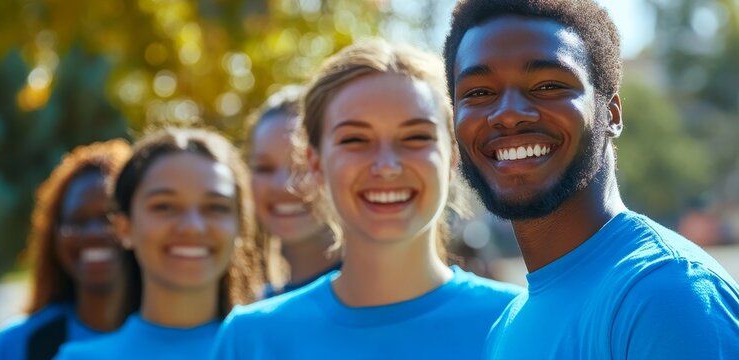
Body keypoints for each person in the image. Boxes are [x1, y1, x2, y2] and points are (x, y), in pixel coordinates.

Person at [443, 0, 739, 358]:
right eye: (478, 93)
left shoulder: (665, 294)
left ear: (611, 113)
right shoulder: (509, 324)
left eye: (548, 85)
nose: (508, 115)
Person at [213, 39, 523, 359]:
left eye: (416, 137)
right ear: (315, 162)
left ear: (452, 156)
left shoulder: (520, 325)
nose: (387, 166)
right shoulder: (251, 339)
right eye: (356, 139)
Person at [54, 128, 263, 359]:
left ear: (240, 226)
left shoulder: (280, 351)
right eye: (164, 206)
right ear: (124, 227)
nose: (192, 227)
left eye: (216, 207)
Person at [0, 140, 139, 360]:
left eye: (109, 217)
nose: (93, 233)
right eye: (77, 221)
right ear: (54, 236)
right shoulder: (17, 345)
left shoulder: (178, 337)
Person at [246, 85, 341, 298]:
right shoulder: (249, 306)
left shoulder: (377, 295)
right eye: (264, 168)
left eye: (301, 166)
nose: (283, 184)